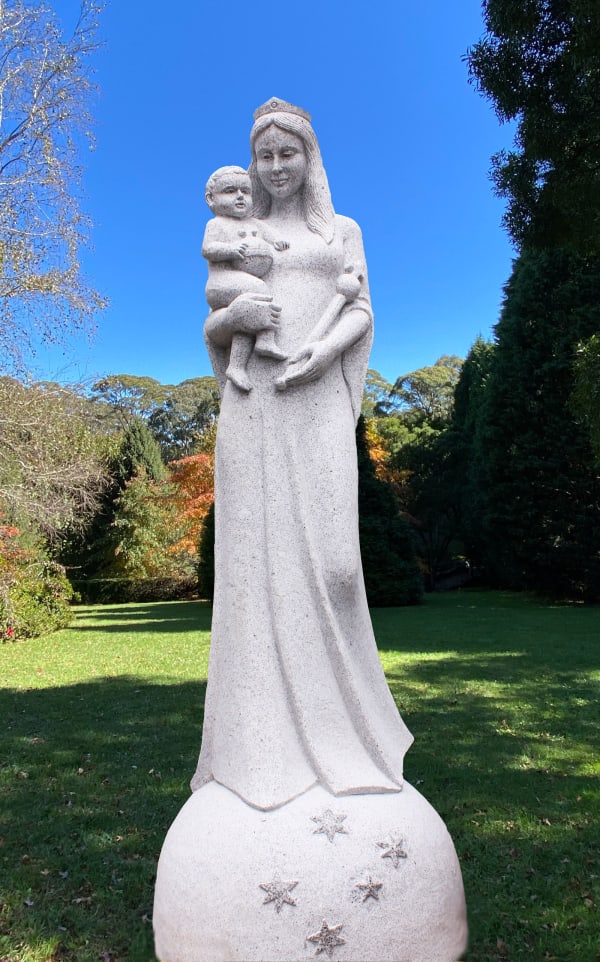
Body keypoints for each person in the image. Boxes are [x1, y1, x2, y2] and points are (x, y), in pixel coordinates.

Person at [192, 98, 413, 811]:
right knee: (255, 571)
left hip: (316, 400)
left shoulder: (341, 231)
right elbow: (215, 320)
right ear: (251, 164)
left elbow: (363, 310)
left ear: (309, 157)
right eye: (265, 155)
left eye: (289, 153)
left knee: (337, 568)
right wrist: (237, 318)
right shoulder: (237, 233)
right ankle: (261, 747)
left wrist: (320, 356)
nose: (277, 166)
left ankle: (352, 733)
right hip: (255, 405)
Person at [202, 165, 288, 392]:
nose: (240, 196)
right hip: (221, 283)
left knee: (249, 315)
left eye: (245, 191)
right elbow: (208, 249)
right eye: (230, 191)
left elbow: (271, 236)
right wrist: (230, 250)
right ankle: (266, 339)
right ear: (211, 199)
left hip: (244, 286)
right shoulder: (217, 224)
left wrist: (276, 242)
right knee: (259, 290)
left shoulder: (253, 223)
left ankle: (238, 364)